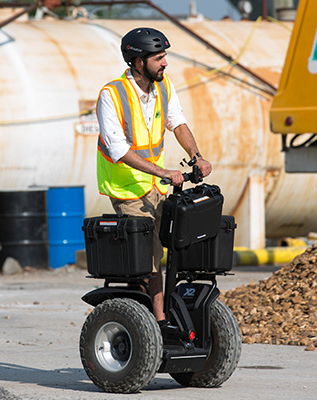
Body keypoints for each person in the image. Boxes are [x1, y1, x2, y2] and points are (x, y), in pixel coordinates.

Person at [95, 27, 212, 325]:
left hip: (156, 187)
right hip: (127, 189)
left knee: (183, 241)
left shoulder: (163, 85)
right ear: (138, 61)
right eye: (159, 58)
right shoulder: (111, 95)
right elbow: (118, 150)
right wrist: (164, 172)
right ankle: (160, 322)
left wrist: (196, 156)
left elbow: (178, 123)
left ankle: (176, 310)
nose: (165, 63)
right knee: (150, 259)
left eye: (164, 56)